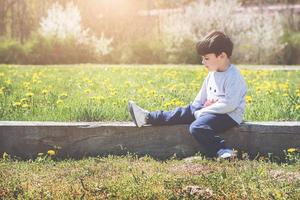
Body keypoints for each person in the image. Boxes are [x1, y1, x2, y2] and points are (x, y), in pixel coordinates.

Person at [128, 30, 247, 159]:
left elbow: (230, 104)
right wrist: (194, 108)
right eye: (202, 58)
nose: (203, 62)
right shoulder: (212, 74)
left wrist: (204, 111)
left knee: (197, 127)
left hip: (229, 115)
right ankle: (147, 117)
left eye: (206, 58)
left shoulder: (233, 76)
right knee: (180, 112)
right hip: (211, 111)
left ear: (222, 56)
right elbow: (201, 97)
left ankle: (223, 150)